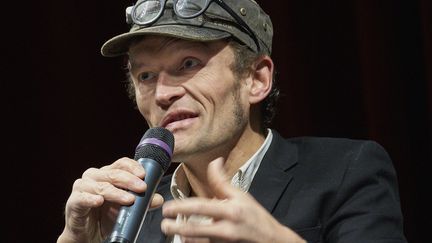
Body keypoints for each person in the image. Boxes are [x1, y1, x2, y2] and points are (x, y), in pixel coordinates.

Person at [57, 0, 407, 242]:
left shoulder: (345, 172)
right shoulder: (133, 215)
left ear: (256, 79)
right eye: (145, 75)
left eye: (189, 64)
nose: (163, 93)